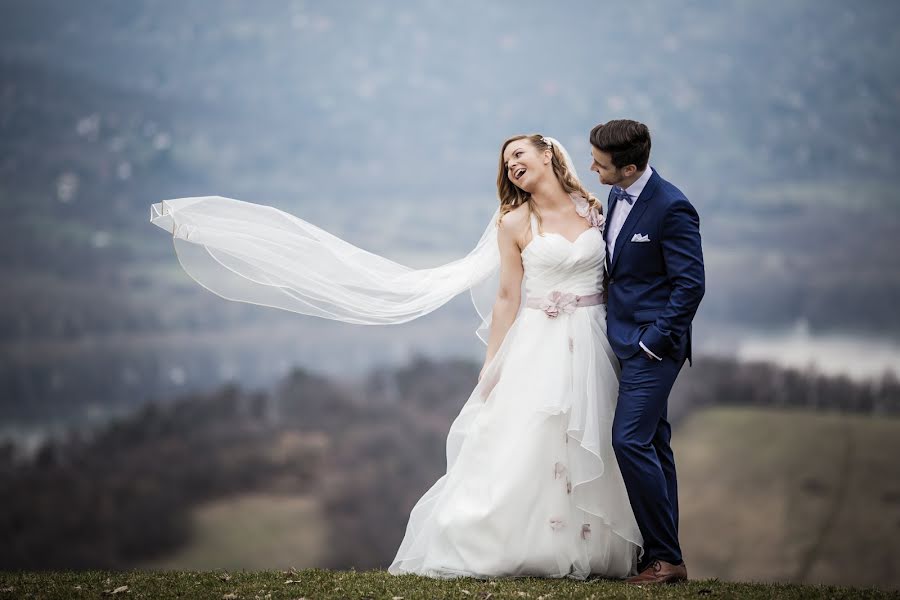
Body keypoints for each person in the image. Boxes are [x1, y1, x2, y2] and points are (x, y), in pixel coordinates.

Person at [150, 135, 643, 580]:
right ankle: (531, 546)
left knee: (592, 434)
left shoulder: (595, 209)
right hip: (540, 341)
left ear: (548, 154)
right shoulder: (514, 222)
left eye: (519, 154)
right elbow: (507, 298)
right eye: (505, 160)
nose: (512, 164)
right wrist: (492, 365)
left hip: (596, 340)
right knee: (534, 439)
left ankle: (593, 547)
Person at [589, 119, 705, 584]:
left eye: (599, 164)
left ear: (629, 166)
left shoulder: (672, 207)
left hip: (653, 349)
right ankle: (662, 555)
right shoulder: (616, 195)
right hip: (620, 338)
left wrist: (653, 341)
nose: (592, 169)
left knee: (628, 440)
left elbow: (690, 285)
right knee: (654, 443)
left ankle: (665, 559)